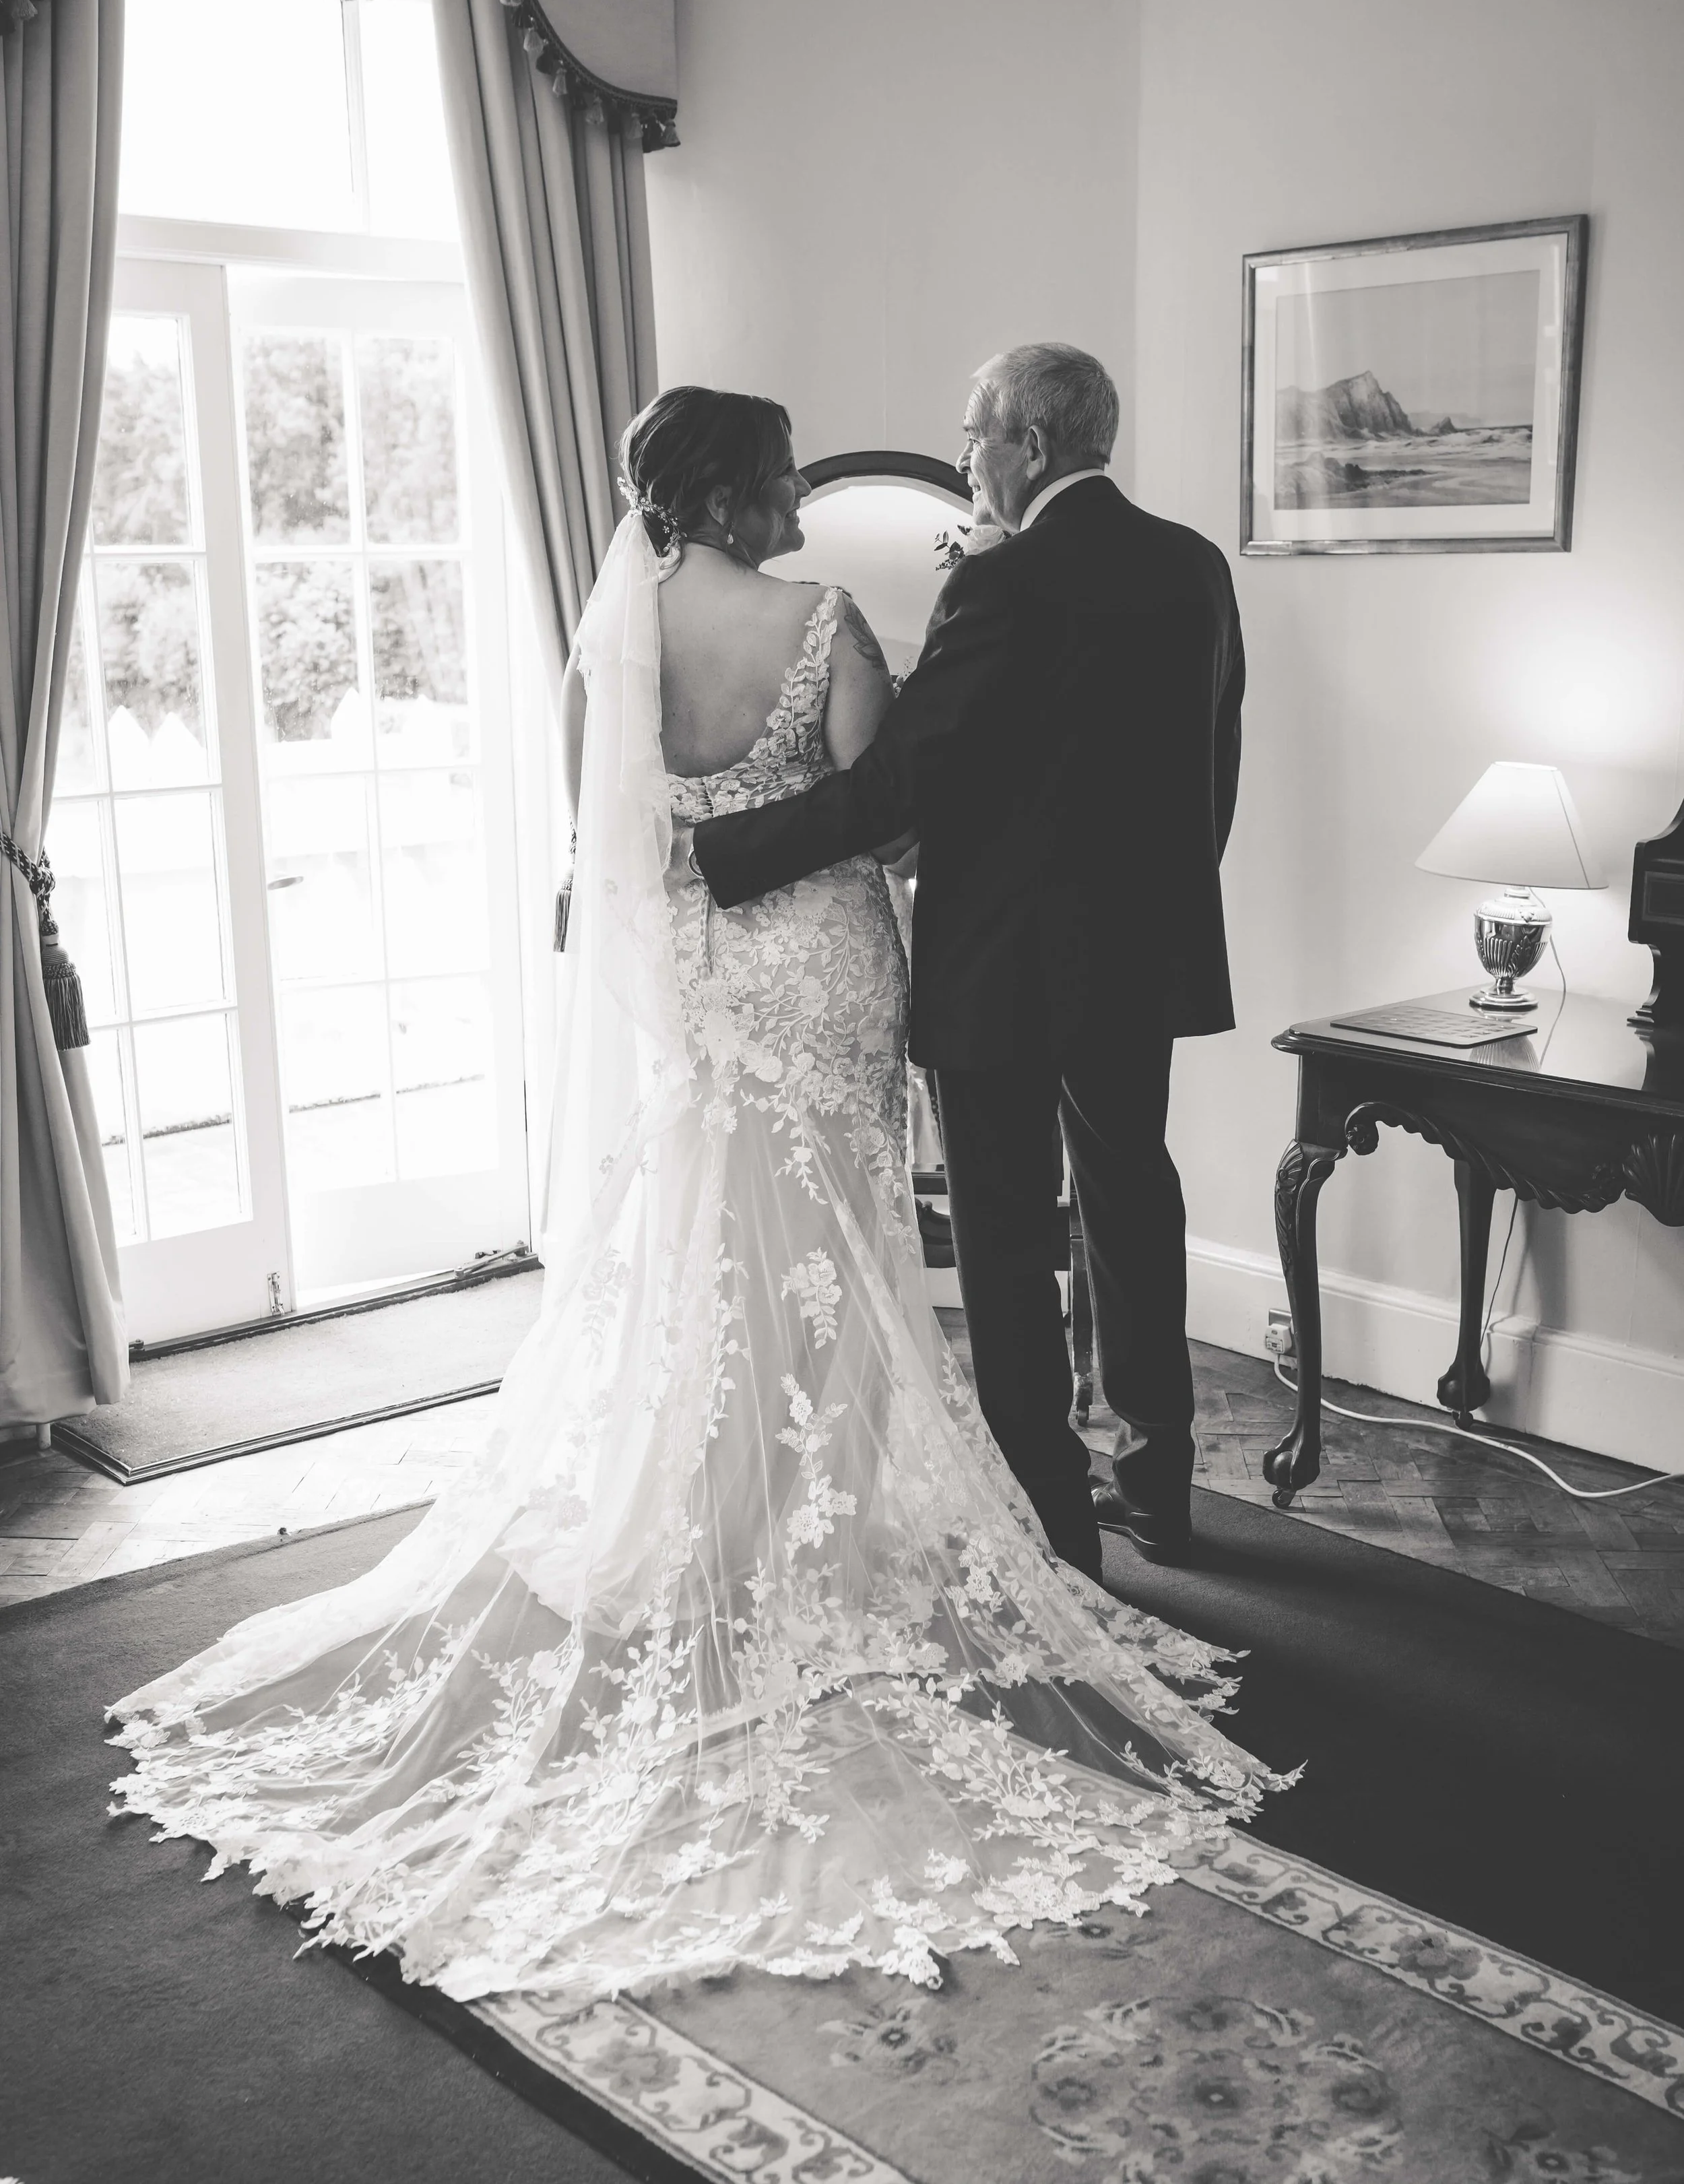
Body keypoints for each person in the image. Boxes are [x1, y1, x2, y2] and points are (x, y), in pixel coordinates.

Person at [108, 386, 1277, 2012]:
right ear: (737, 489)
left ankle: (752, 1513)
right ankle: (1057, 1485)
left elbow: (658, 837)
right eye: (786, 465)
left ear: (1017, 436)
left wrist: (735, 867)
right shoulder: (934, 601)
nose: (807, 482)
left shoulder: (620, 643)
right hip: (968, 960)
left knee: (756, 1240)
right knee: (973, 1225)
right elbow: (935, 805)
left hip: (743, 981)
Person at [690, 344, 1246, 1571]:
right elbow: (1214, 772)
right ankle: (1158, 1475)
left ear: (1028, 447)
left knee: (1002, 1234)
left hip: (1001, 966)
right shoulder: (1195, 565)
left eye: (971, 437)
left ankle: (1050, 1512)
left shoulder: (1004, 586)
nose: (963, 459)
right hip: (1139, 959)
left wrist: (717, 849)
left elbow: (901, 780)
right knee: (1130, 1200)